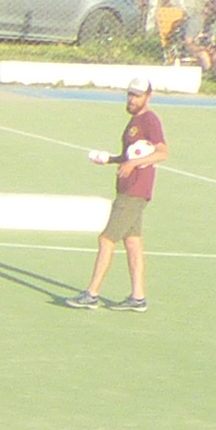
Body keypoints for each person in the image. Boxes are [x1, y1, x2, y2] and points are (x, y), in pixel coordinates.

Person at [66, 76, 166, 312]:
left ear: (148, 97)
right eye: (130, 95)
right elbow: (129, 156)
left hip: (135, 190)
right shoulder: (134, 121)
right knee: (132, 241)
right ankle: (138, 297)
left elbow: (162, 153)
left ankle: (91, 294)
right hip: (127, 188)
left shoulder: (150, 120)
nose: (132, 99)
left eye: (137, 96)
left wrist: (132, 164)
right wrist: (110, 159)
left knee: (106, 239)